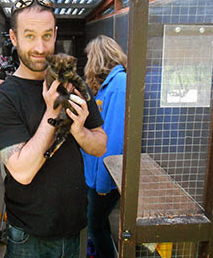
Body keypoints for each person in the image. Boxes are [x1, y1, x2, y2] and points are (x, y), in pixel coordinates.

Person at [0, 0, 107, 257]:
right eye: (29, 36)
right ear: (14, 38)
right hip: (29, 235)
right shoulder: (2, 98)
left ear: (55, 34)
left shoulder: (75, 84)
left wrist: (79, 131)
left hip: (73, 227)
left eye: (47, 35)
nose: (40, 47)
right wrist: (53, 113)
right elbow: (22, 172)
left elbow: (100, 145)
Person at [82, 35, 127, 258]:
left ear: (99, 57)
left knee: (95, 225)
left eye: (90, 56)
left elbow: (115, 140)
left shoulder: (119, 85)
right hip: (96, 171)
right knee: (98, 223)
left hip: (104, 177)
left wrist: (102, 182)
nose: (87, 60)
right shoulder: (108, 83)